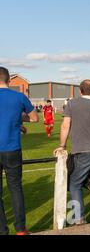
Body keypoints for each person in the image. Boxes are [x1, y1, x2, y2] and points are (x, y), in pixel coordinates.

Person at [54, 80, 90, 228]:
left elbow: (65, 125)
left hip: (83, 149)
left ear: (80, 91)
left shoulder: (72, 104)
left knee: (75, 183)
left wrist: (62, 145)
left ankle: (78, 218)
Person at [0, 67, 39, 235]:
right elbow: (35, 118)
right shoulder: (19, 96)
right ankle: (21, 229)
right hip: (12, 149)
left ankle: (2, 230)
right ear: (9, 80)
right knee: (15, 188)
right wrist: (18, 120)